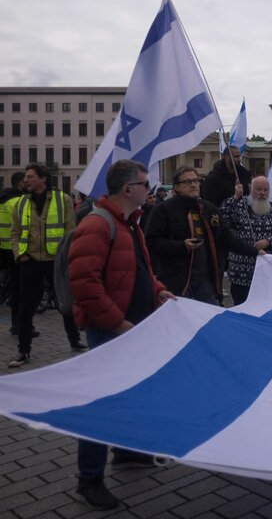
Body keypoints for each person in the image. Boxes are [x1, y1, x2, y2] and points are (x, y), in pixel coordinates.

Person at [67, 160, 176, 510]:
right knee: (102, 403)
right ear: (128, 189)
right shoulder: (98, 225)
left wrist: (158, 290)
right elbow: (84, 284)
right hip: (111, 329)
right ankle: (89, 479)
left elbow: (139, 269)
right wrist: (117, 323)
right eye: (146, 183)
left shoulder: (129, 223)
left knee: (129, 392)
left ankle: (127, 452)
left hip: (131, 326)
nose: (151, 189)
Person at [145, 167, 262, 305]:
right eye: (188, 182)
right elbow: (152, 241)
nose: (194, 185)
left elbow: (227, 237)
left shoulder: (209, 208)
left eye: (196, 180)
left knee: (212, 318)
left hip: (206, 279)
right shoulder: (163, 210)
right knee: (179, 321)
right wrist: (182, 245)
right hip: (177, 280)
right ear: (176, 187)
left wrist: (255, 252)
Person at [8, 164, 85, 368]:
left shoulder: (63, 200)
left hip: (55, 261)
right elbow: (14, 233)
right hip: (30, 261)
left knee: (65, 303)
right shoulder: (21, 202)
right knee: (26, 308)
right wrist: (19, 255)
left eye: (30, 176)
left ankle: (74, 338)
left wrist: (66, 257)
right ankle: (23, 350)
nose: (26, 180)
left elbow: (71, 231)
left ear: (43, 179)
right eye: (25, 177)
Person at [220, 176, 272, 305]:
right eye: (258, 189)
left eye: (265, 190)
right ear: (250, 188)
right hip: (241, 271)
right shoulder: (238, 206)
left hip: (267, 273)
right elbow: (223, 219)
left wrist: (269, 241)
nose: (262, 193)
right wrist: (234, 197)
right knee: (241, 305)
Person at [0, 171, 26, 336]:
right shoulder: (18, 201)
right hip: (15, 250)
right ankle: (17, 325)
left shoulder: (2, 200)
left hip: (1, 248)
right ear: (20, 184)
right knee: (19, 289)